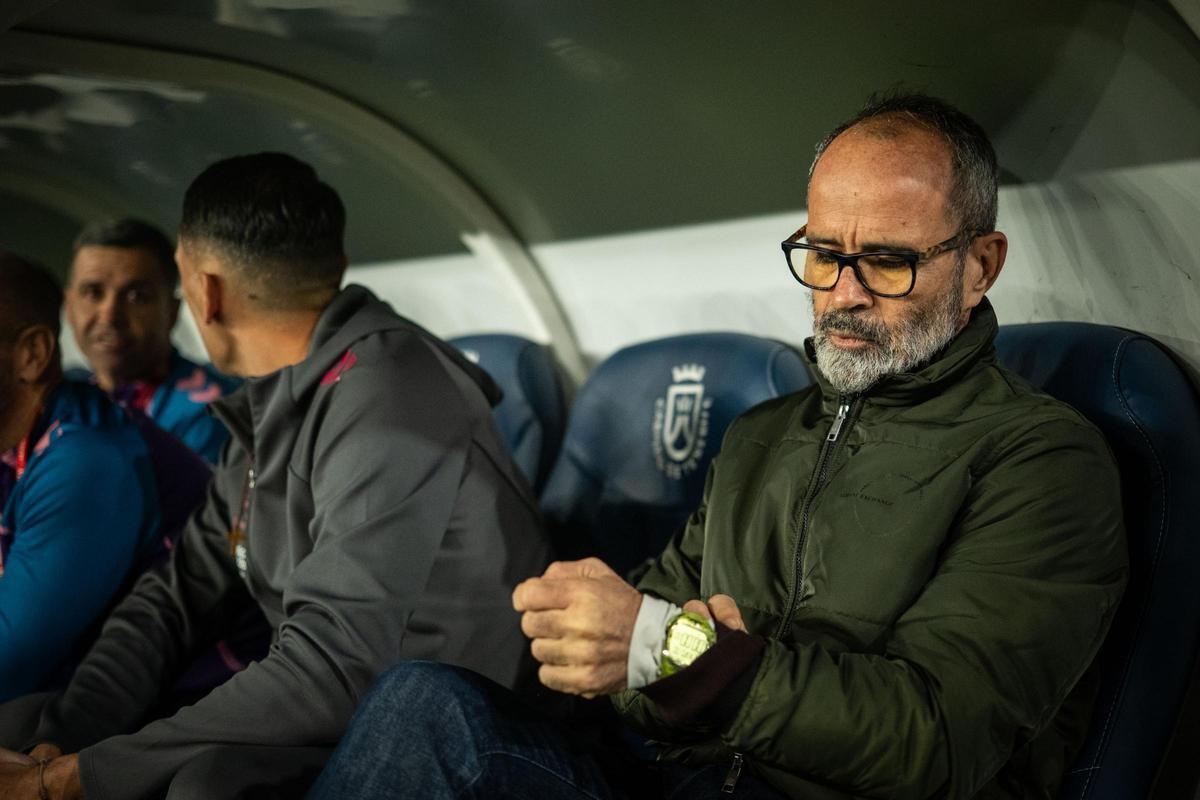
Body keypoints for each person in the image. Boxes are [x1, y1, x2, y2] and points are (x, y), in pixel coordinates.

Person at [307, 93, 1128, 799]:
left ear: (980, 265)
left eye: (886, 261)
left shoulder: (1041, 462)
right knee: (427, 702)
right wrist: (631, 645)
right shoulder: (762, 438)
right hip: (679, 776)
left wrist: (688, 655)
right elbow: (634, 658)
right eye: (822, 255)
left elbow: (940, 737)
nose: (843, 295)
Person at [0, 153, 551, 800]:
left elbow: (333, 663)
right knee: (22, 720)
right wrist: (62, 740)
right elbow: (174, 597)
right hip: (354, 713)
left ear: (205, 292)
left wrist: (74, 779)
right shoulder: (278, 399)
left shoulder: (392, 401)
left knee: (208, 787)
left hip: (459, 734)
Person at [0, 252, 210, 705]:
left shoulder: (85, 461)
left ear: (32, 355)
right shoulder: (18, 435)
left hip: (160, 730)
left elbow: (7, 668)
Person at [66, 218, 239, 464]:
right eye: (93, 292)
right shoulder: (60, 396)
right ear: (69, 306)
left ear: (172, 310)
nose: (110, 315)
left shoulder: (210, 413)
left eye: (137, 296)